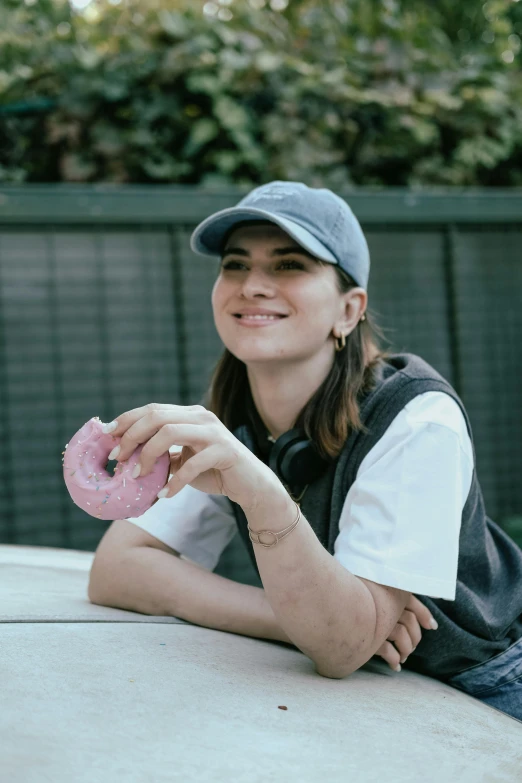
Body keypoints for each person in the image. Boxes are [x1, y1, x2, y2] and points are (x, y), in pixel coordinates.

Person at [89, 181, 522, 721]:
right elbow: (117, 570)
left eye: (289, 265)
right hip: (369, 703)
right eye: (236, 265)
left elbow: (341, 648)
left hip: (486, 688)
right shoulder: (231, 421)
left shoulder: (417, 419)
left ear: (349, 309)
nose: (252, 286)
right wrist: (286, 617)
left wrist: (260, 493)